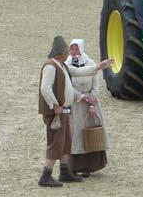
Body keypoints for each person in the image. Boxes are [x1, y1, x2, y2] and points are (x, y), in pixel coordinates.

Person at [38, 35, 113, 187]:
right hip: (56, 113)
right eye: (67, 50)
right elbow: (45, 88)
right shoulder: (50, 66)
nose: (69, 53)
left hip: (65, 110)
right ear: (61, 52)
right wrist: (54, 105)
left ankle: (65, 172)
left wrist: (99, 66)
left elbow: (79, 72)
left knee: (65, 142)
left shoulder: (62, 65)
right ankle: (46, 176)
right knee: (56, 144)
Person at [65, 39, 110, 178]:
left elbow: (96, 86)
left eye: (76, 49)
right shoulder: (67, 65)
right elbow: (68, 86)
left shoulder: (90, 63)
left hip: (90, 104)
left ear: (81, 49)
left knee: (91, 133)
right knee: (76, 133)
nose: (73, 52)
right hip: (76, 104)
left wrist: (91, 102)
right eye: (71, 49)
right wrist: (82, 97)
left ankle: (89, 167)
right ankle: (74, 166)